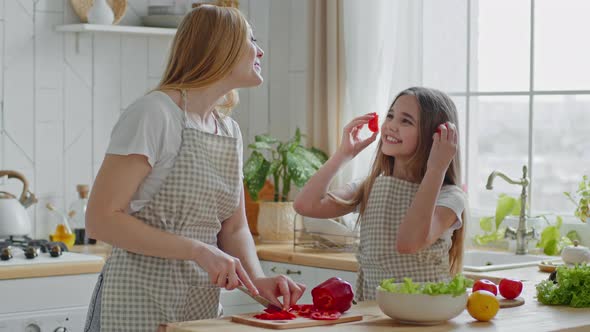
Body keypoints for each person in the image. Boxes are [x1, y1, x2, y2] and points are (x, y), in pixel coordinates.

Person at [83, 5, 305, 331]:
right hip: (135, 301)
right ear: (219, 47)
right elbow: (101, 220)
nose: (260, 50)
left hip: (197, 309)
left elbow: (233, 229)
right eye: (250, 39)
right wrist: (198, 250)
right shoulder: (154, 113)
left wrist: (258, 283)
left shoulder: (229, 131)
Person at [294, 87, 466, 301]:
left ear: (435, 137)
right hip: (375, 311)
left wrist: (436, 170)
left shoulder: (450, 197)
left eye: (406, 121)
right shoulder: (369, 186)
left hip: (426, 312)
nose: (392, 126)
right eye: (391, 116)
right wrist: (343, 154)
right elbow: (305, 205)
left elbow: (408, 243)